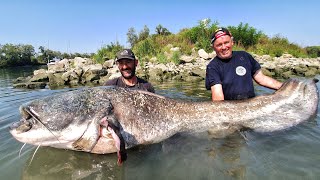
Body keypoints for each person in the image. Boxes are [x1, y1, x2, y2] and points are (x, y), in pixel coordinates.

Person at [205, 27, 283, 101]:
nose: (224, 47)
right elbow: (218, 96)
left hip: (252, 104)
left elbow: (261, 79)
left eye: (226, 42)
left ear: (232, 42)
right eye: (219, 45)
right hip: (230, 109)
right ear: (213, 47)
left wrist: (284, 87)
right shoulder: (212, 67)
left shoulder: (245, 56)